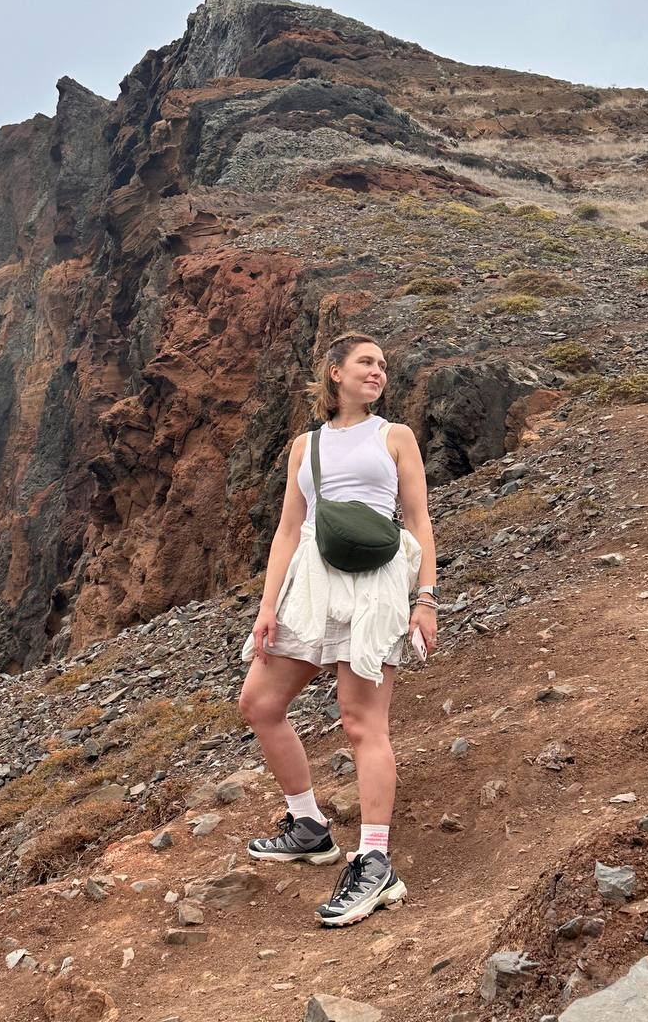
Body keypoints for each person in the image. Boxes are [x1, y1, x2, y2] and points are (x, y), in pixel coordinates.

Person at [238, 331, 439, 928]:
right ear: (335, 372)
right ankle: (308, 825)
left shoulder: (395, 437)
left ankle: (375, 862)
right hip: (310, 585)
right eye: (366, 362)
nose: (378, 372)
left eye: (383, 365)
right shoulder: (305, 446)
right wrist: (267, 605)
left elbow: (419, 518)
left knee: (361, 722)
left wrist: (426, 598)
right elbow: (287, 530)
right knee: (259, 703)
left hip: (374, 585)